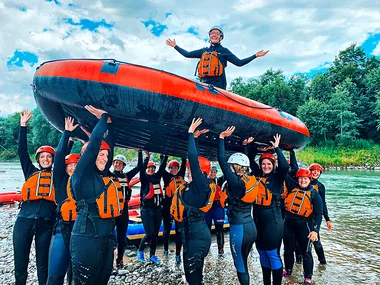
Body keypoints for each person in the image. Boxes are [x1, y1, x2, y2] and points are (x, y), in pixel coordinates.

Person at [70, 105, 122, 285]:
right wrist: (102, 118)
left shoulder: (103, 177)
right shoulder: (81, 175)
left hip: (106, 240)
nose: (105, 158)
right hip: (86, 240)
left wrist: (109, 125)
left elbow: (109, 147)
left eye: (106, 156)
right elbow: (93, 147)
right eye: (101, 155)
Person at [170, 118, 216, 285]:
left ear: (201, 171)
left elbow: (193, 158)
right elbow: (194, 160)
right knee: (194, 276)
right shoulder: (192, 185)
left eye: (191, 170)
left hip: (198, 237)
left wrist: (190, 134)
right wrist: (196, 138)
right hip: (190, 236)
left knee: (192, 278)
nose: (189, 171)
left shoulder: (202, 185)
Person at [13, 110, 56, 285]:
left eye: (49, 157)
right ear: (38, 159)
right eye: (42, 157)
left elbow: (66, 158)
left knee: (43, 265)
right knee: (20, 264)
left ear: (53, 160)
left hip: (46, 223)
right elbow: (22, 151)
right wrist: (23, 126)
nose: (46, 159)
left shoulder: (58, 177)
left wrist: (69, 139)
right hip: (24, 221)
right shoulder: (30, 171)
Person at [218, 126, 260, 285]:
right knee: (244, 260)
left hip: (239, 229)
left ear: (235, 167)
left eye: (231, 166)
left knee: (240, 265)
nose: (228, 168)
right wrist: (245, 146)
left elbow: (222, 160)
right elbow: (245, 161)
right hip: (251, 227)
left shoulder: (235, 183)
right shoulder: (249, 178)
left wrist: (221, 137)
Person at [166, 26, 269, 90]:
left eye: (217, 33)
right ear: (209, 36)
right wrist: (175, 46)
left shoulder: (224, 51)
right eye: (212, 33)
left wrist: (255, 56)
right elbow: (187, 54)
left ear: (221, 37)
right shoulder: (203, 51)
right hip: (204, 84)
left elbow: (239, 62)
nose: (214, 35)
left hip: (218, 86)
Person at [245, 135, 288, 285]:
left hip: (273, 221)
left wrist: (276, 148)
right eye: (263, 164)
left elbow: (285, 166)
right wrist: (250, 146)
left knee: (272, 254)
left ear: (273, 165)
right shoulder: (256, 175)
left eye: (268, 164)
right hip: (257, 219)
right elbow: (250, 161)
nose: (266, 166)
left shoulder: (277, 178)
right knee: (261, 252)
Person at [47, 117, 79, 285]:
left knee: (75, 275)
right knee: (55, 275)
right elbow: (59, 157)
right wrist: (67, 133)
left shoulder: (83, 182)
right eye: (70, 165)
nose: (73, 167)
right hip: (61, 228)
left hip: (80, 230)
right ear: (65, 168)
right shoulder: (60, 179)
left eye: (76, 165)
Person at [283, 168, 323, 285]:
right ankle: (288, 271)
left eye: (305, 179)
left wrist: (315, 230)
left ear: (309, 179)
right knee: (288, 249)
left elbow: (318, 214)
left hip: (305, 226)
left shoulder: (314, 193)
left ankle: (308, 277)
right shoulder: (292, 186)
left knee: (306, 252)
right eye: (300, 179)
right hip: (289, 224)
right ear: (297, 179)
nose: (303, 181)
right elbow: (284, 170)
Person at [110, 153, 142, 271]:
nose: (117, 164)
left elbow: (139, 167)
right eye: (115, 162)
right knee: (110, 237)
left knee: (121, 237)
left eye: (120, 163)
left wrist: (139, 152)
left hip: (123, 210)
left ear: (123, 166)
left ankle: (120, 260)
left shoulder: (127, 176)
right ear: (112, 164)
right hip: (112, 210)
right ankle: (109, 262)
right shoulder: (109, 175)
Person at [137, 152, 164, 264]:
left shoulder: (157, 177)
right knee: (149, 233)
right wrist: (146, 158)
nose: (151, 170)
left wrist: (164, 156)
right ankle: (140, 251)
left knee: (156, 233)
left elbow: (162, 168)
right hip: (146, 210)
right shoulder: (144, 178)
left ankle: (152, 256)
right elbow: (141, 169)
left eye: (153, 168)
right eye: (149, 168)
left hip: (157, 209)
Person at [159, 155, 186, 264]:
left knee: (179, 231)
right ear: (169, 169)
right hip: (167, 207)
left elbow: (184, 163)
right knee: (167, 230)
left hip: (179, 208)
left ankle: (178, 254)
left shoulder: (181, 175)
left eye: (176, 168)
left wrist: (183, 154)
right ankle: (165, 249)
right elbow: (161, 168)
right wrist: (164, 157)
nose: (174, 170)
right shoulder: (166, 176)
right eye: (172, 168)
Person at [308, 163, 332, 265]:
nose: (315, 173)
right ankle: (299, 262)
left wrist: (327, 219)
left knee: (316, 241)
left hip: (315, 216)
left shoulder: (321, 187)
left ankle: (323, 263)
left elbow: (323, 204)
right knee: (299, 241)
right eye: (313, 170)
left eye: (318, 171)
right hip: (302, 216)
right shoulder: (302, 181)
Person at [204, 165, 227, 257]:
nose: (213, 173)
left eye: (214, 172)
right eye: (211, 172)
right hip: (208, 208)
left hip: (218, 208)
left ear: (216, 173)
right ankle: (206, 248)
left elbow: (227, 172)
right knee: (207, 229)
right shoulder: (205, 181)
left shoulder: (220, 180)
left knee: (219, 230)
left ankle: (221, 250)